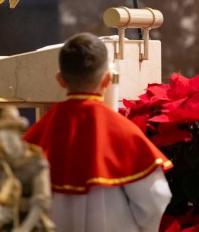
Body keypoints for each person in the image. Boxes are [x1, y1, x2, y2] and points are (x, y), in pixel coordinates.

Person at [24, 32, 173, 232]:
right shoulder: (123, 131)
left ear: (60, 79)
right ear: (107, 80)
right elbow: (155, 198)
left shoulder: (39, 133)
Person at [0, 106, 54, 232]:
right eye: (3, 139)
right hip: (2, 216)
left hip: (29, 216)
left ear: (17, 133)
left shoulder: (35, 161)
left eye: (10, 138)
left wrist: (25, 228)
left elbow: (41, 200)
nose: (7, 143)